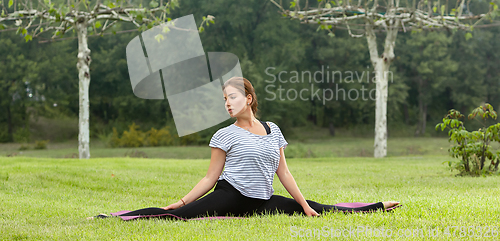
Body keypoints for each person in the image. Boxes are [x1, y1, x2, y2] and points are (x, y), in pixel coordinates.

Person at [88, 77, 400, 221]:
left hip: (260, 201)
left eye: (232, 98)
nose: (227, 103)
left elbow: (284, 172)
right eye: (224, 99)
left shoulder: (272, 129)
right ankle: (112, 218)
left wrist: (303, 206)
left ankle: (374, 206)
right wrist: (181, 201)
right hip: (230, 195)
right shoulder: (224, 135)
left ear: (248, 98)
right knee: (177, 216)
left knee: (316, 208)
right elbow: (210, 178)